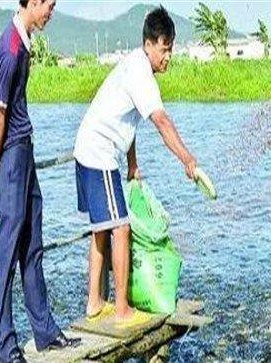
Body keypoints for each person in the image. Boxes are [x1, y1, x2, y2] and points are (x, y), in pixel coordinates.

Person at [73, 6, 198, 326]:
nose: (168, 56)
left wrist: (132, 165)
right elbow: (161, 120)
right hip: (99, 153)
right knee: (121, 227)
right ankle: (122, 309)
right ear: (150, 44)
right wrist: (187, 158)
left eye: (171, 49)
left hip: (88, 147)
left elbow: (129, 122)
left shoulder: (133, 65)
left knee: (102, 229)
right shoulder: (141, 73)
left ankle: (94, 302)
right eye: (165, 49)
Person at [0, 1, 81, 362]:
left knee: (33, 245)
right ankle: (6, 346)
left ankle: (44, 331)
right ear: (33, 2)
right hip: (10, 154)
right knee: (7, 253)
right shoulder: (11, 48)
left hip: (24, 149)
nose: (52, 13)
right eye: (50, 6)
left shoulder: (24, 40)